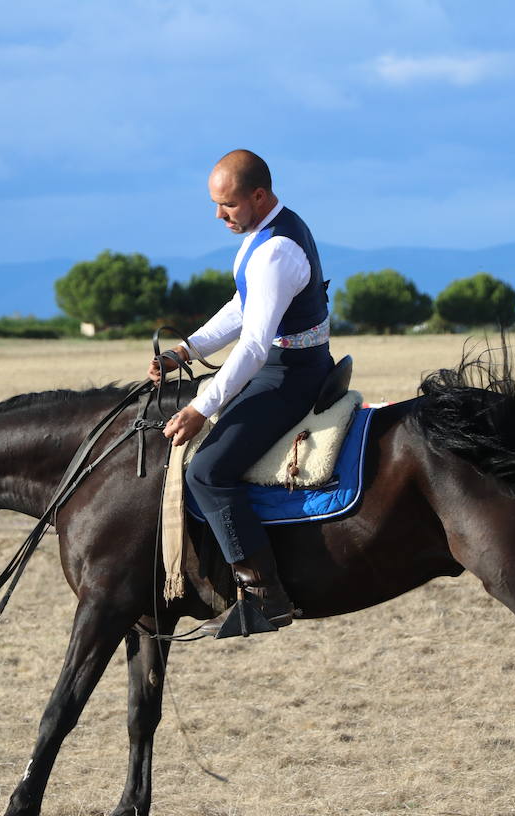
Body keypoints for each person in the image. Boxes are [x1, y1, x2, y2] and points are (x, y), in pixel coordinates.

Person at [149, 149, 334, 635]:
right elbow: (241, 307)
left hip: (289, 374)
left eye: (227, 204)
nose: (219, 215)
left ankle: (264, 595)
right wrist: (185, 351)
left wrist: (200, 409)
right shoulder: (261, 232)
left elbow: (253, 346)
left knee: (208, 473)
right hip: (278, 364)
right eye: (215, 204)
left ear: (258, 195)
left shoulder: (275, 250)